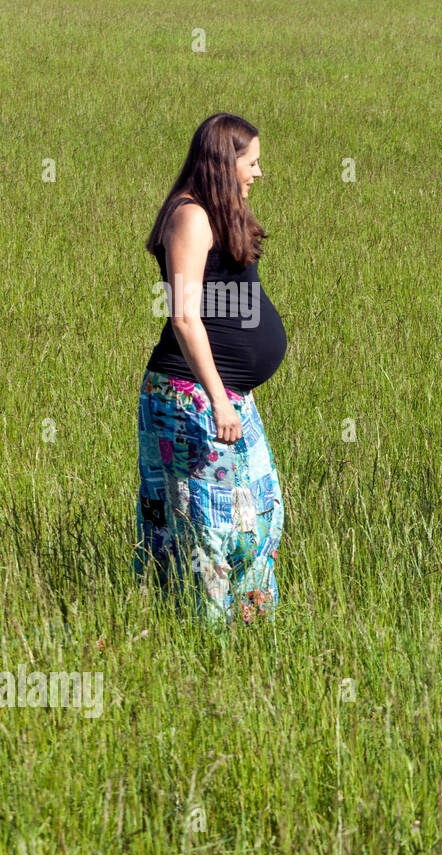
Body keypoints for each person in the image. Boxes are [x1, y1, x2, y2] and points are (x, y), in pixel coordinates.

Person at [136, 112, 287, 624]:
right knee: (208, 524)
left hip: (224, 395)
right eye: (252, 162)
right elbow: (182, 314)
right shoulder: (190, 217)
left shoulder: (221, 213)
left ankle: (251, 629)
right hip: (190, 398)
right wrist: (219, 396)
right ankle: (205, 639)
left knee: (262, 512)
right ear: (226, 163)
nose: (259, 173)